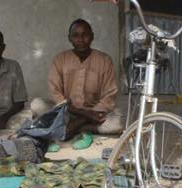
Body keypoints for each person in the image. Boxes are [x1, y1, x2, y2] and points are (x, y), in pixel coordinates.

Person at [42, 18, 122, 149]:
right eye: (76, 35)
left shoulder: (104, 60)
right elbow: (55, 92)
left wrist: (86, 116)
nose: (81, 39)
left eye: (85, 35)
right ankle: (81, 128)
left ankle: (78, 128)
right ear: (69, 38)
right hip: (66, 112)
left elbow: (109, 94)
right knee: (38, 105)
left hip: (94, 112)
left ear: (92, 37)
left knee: (118, 122)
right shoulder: (60, 59)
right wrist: (82, 114)